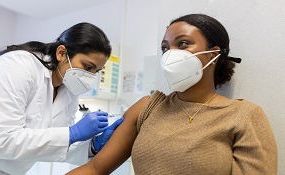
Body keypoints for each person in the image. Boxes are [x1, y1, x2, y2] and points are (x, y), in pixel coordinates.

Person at [66, 14, 278, 175]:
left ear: (213, 54)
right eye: (165, 48)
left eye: (183, 44)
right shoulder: (148, 107)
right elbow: (94, 168)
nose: (171, 54)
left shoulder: (243, 115)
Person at [0, 22, 124, 175]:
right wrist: (73, 133)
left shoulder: (70, 89)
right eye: (87, 67)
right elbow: (2, 141)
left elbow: (57, 143)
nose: (90, 76)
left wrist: (92, 145)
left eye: (96, 71)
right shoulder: (17, 66)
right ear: (61, 53)